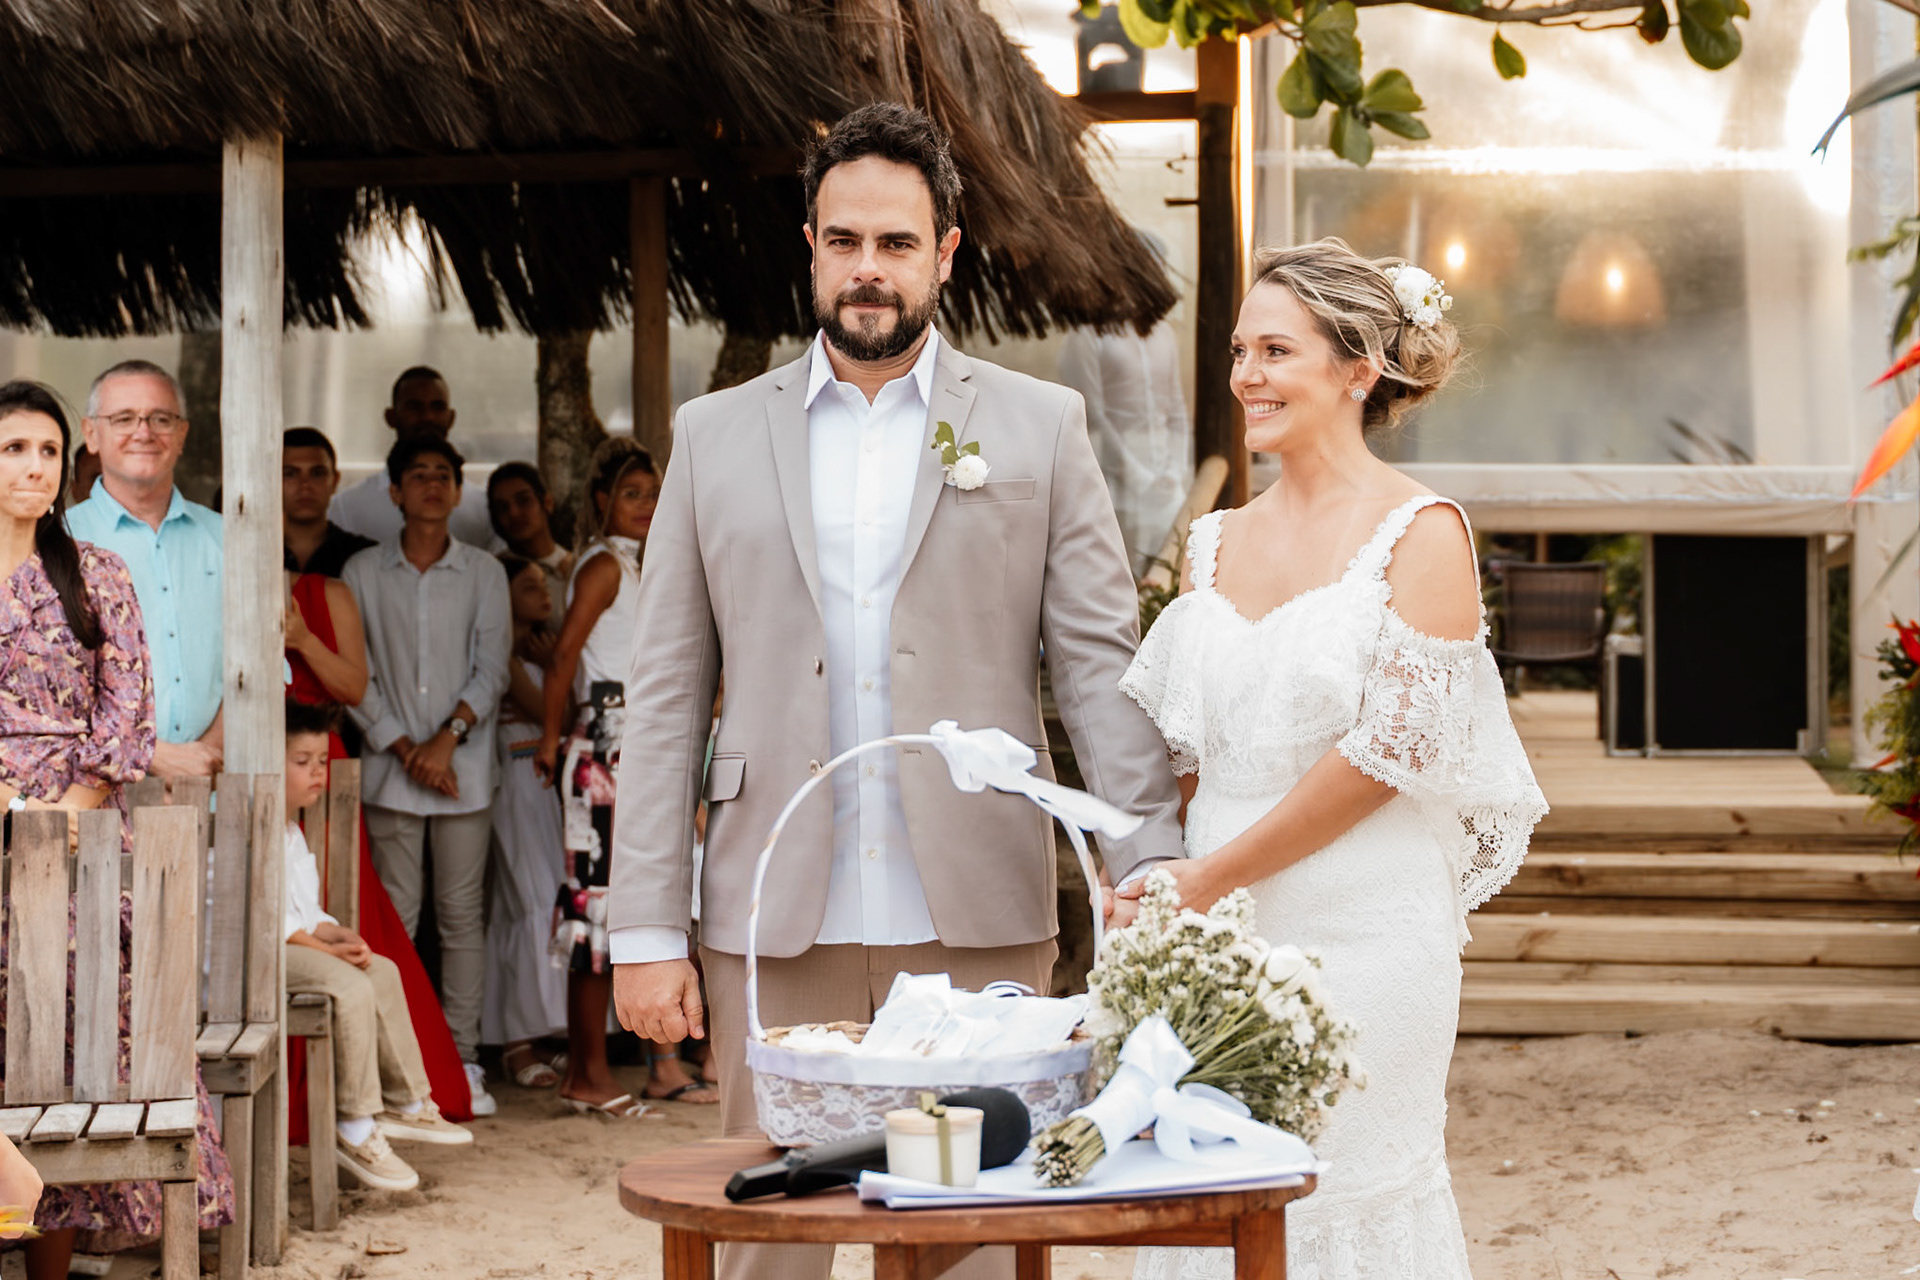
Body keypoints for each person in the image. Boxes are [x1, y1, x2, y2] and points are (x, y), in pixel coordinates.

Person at [608, 104, 1184, 1280]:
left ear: (948, 252)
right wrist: (647, 928)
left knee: (967, 1248)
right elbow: (667, 692)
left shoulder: (1042, 424)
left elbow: (1099, 667)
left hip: (980, 916)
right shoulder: (714, 436)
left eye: (897, 243)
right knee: (772, 1245)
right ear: (810, 245)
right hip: (774, 918)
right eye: (845, 241)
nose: (868, 270)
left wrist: (1151, 874)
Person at [1118, 240, 1548, 1280]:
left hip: (1365, 934)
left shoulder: (1422, 532)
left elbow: (1388, 756)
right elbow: (1196, 751)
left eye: (1276, 350)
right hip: (1220, 932)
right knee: (1209, 1195)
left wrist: (1215, 870)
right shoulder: (1210, 543)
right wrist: (1189, 891)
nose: (1246, 376)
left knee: (1337, 1200)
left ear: (1359, 368)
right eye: (1237, 351)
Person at [0, 378, 236, 1278]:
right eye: (15, 448)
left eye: (49, 451)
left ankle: (49, 1267)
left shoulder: (95, 573)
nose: (35, 467)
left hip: (82, 845)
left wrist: (58, 815)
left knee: (64, 1049)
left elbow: (126, 722)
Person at [534, 441, 712, 1114]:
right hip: (606, 746)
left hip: (644, 745)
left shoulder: (647, 564)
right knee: (596, 907)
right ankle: (587, 1074)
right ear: (602, 500)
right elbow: (564, 657)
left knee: (647, 899)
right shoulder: (606, 564)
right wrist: (551, 739)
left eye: (654, 491)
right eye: (633, 492)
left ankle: (658, 1064)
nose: (647, 504)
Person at [342, 436, 511, 1118]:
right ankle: (403, 1067)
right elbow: (359, 675)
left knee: (462, 919)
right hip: (392, 772)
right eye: (418, 475)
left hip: (463, 770)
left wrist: (446, 742)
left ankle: (464, 1060)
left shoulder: (483, 572)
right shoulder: (361, 571)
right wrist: (406, 746)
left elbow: (492, 668)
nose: (433, 486)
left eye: (444, 475)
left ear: (457, 490)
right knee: (399, 923)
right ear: (394, 492)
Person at [284, 551, 473, 1138]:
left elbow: (355, 687)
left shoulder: (326, 593)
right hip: (265, 760)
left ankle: (406, 1102)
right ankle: (351, 1118)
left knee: (354, 915)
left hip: (318, 762)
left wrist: (300, 638)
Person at [282, 699, 473, 1194]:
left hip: (295, 946)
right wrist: (327, 953)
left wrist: (334, 933)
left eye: (322, 762)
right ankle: (354, 1125)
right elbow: (269, 924)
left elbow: (305, 913)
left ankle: (409, 1102)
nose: (317, 773)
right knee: (349, 984)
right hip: (255, 959)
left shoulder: (291, 831)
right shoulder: (249, 826)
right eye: (302, 762)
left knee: (382, 969)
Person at [66, 360, 224, 780]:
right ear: (91, 434)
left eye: (160, 418)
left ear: (182, 434)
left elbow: (261, 667)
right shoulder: (55, 544)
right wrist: (152, 758)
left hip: (213, 790)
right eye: (123, 418)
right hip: (95, 802)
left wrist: (204, 758)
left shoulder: (229, 539)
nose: (143, 432)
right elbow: (38, 691)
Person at [483, 554, 570, 1089]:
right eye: (530, 585)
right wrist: (559, 662)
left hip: (543, 782)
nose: (544, 594)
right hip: (516, 778)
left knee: (547, 896)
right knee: (523, 898)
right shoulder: (507, 653)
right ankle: (514, 1041)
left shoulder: (542, 648)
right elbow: (546, 709)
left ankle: (539, 1031)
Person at [330, 368, 496, 549]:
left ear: (451, 418)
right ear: (390, 417)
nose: (428, 417)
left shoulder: (484, 507)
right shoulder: (347, 508)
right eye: (414, 407)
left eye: (437, 407)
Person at [284, 427, 376, 577]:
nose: (305, 485)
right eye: (290, 474)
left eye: (317, 473)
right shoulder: (251, 554)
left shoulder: (366, 557)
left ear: (335, 481)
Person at [487, 463, 572, 616]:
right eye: (502, 507)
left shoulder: (575, 566)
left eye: (523, 500)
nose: (513, 513)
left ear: (547, 502)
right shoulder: (494, 573)